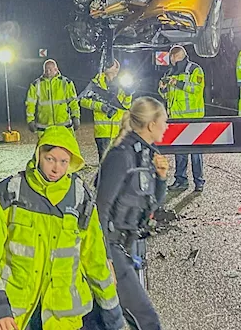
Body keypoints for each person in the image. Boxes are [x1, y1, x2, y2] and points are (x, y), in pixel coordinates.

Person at [0, 126, 124, 330]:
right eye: (50, 159)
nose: (56, 169)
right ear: (38, 154)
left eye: (63, 161)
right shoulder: (9, 193)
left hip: (65, 319)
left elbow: (95, 257)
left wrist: (112, 310)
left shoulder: (80, 199)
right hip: (17, 316)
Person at [89, 97, 170, 330]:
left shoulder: (146, 154)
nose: (166, 126)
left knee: (104, 318)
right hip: (113, 247)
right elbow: (100, 209)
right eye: (164, 121)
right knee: (146, 320)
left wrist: (162, 178)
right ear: (151, 125)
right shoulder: (121, 155)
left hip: (130, 244)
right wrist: (105, 258)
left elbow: (151, 206)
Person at [159, 44, 205, 191]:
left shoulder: (194, 69)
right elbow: (167, 96)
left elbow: (197, 89)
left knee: (196, 153)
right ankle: (181, 181)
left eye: (171, 58)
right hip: (176, 119)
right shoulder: (171, 72)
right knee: (179, 152)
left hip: (193, 118)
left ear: (174, 56)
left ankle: (199, 182)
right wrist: (162, 88)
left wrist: (177, 83)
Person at [81, 59, 131, 161]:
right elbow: (83, 101)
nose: (113, 67)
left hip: (118, 132)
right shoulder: (96, 83)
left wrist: (128, 94)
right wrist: (101, 107)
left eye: (115, 65)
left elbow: (126, 105)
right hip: (103, 132)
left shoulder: (122, 85)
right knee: (105, 163)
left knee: (119, 162)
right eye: (110, 64)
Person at [26, 59, 80, 134]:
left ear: (56, 69)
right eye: (46, 70)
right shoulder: (36, 85)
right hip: (44, 128)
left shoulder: (66, 83)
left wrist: (76, 116)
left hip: (64, 127)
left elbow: (73, 102)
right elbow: (30, 104)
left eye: (50, 69)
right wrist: (30, 120)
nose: (48, 72)